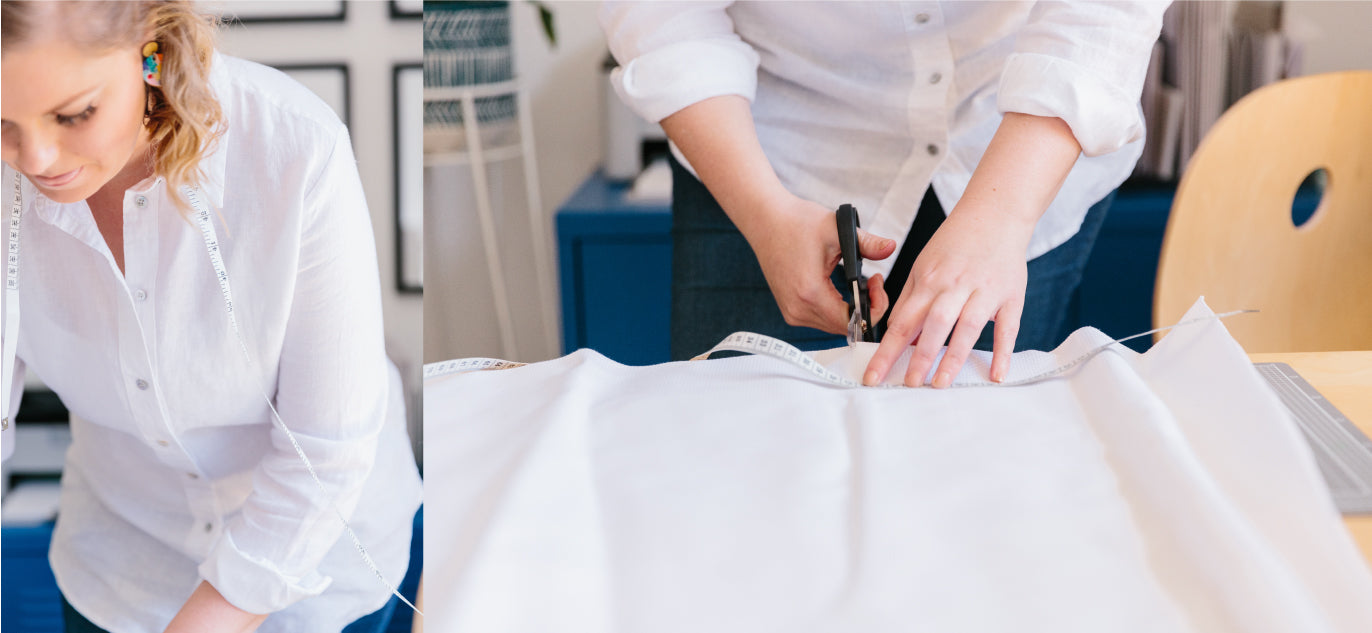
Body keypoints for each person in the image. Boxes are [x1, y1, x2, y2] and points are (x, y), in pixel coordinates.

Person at [0, 2, 422, 632]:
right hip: (122, 568)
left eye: (75, 114)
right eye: (2, 122)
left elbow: (326, 451)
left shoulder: (296, 148)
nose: (35, 159)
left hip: (316, 567)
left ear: (148, 46)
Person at [601, 1, 1169, 386]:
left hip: (1019, 140)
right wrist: (765, 214)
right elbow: (660, 12)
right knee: (744, 458)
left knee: (982, 459)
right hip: (765, 151)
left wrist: (1002, 216)